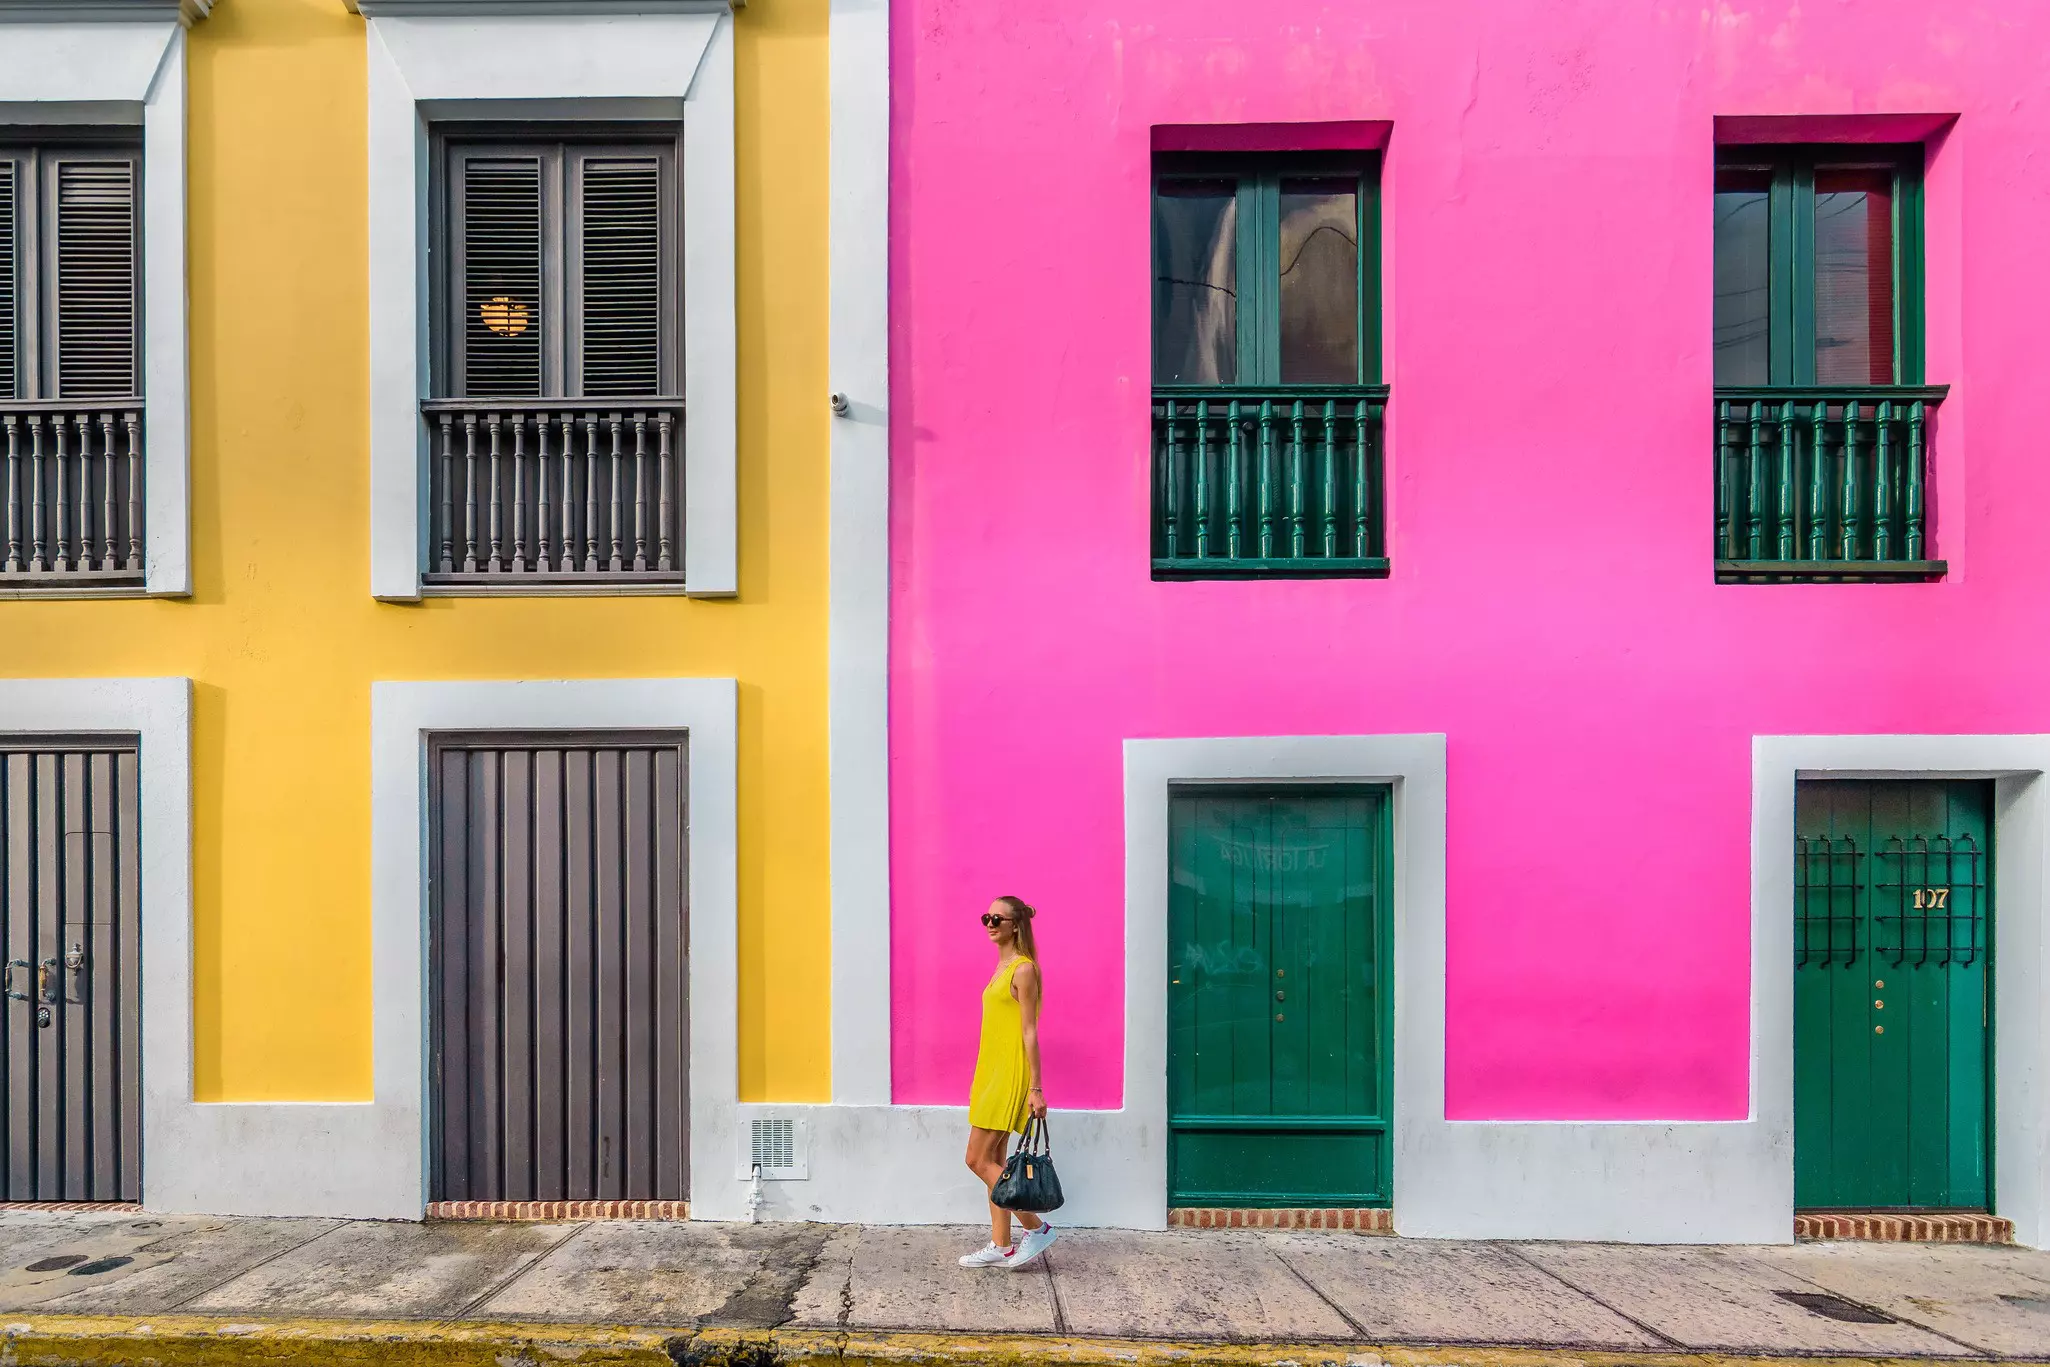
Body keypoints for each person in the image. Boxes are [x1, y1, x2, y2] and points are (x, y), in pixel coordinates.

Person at [957, 895, 1056, 1270]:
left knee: (976, 1159)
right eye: (987, 917)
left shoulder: (1023, 969)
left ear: (1016, 925)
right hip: (990, 1072)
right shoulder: (1002, 967)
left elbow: (1030, 1032)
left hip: (1008, 1075)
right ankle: (1001, 1245)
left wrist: (1036, 1087)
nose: (990, 923)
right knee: (995, 1159)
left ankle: (1037, 1227)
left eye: (998, 918)